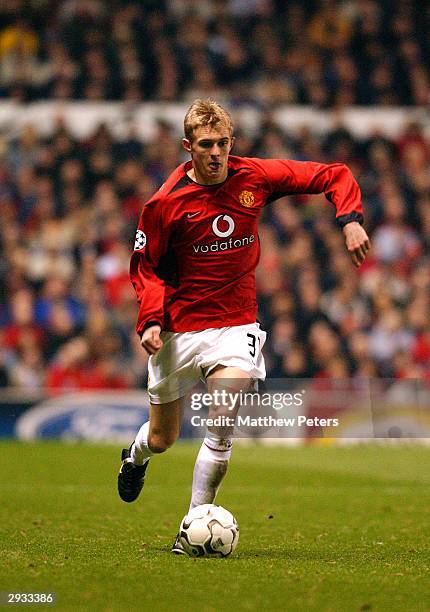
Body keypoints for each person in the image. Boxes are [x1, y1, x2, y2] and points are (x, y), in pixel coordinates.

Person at [117, 98, 370, 553]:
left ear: (232, 143)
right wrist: (151, 321)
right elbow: (145, 268)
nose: (216, 153)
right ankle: (134, 458)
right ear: (187, 146)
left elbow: (333, 174)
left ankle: (192, 524)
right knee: (161, 438)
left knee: (223, 416)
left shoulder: (253, 176)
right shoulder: (164, 204)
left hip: (235, 325)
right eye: (206, 144)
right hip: (177, 330)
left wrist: (349, 219)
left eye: (223, 144)